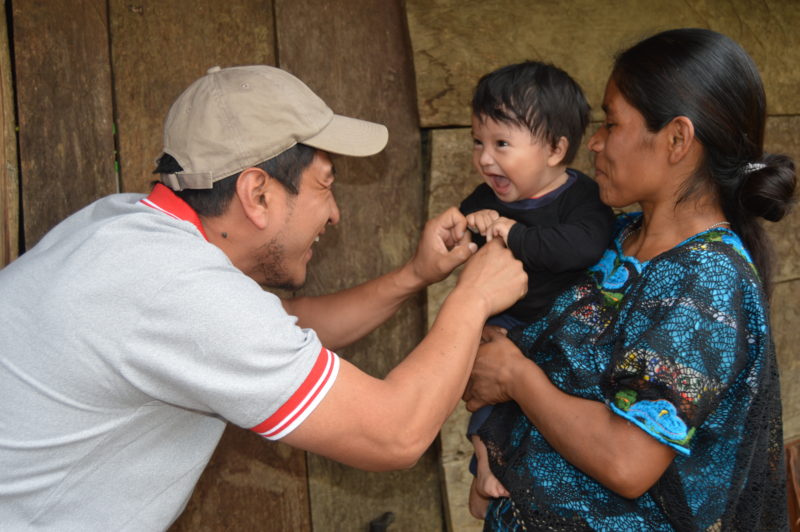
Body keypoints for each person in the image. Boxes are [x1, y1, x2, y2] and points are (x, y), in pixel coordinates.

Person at [0, 65, 528, 530]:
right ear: (257, 194)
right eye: (325, 186)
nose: (335, 214)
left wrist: (415, 275)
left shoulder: (125, 225)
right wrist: (473, 296)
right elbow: (394, 435)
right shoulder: (180, 290)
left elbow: (286, 322)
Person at [463, 28, 795, 530]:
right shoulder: (615, 237)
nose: (593, 142)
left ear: (677, 139)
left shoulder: (706, 280)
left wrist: (513, 376)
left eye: (612, 123)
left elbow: (628, 461)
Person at [458, 61, 614, 514]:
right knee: (478, 385)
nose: (485, 158)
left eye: (502, 144)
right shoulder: (488, 199)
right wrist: (470, 227)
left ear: (554, 149)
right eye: (478, 142)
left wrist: (512, 233)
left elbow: (580, 248)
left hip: (562, 329)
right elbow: (463, 235)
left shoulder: (581, 197)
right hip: (507, 322)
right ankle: (484, 466)